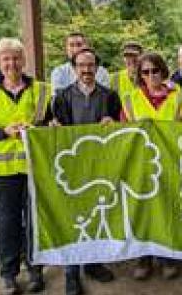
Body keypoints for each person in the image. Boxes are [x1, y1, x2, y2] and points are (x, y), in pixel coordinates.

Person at [0, 38, 52, 295]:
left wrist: (39, 128)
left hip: (34, 167)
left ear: (23, 61)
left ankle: (35, 270)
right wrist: (3, 132)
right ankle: (9, 275)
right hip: (1, 172)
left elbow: (51, 124)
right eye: (5, 58)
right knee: (6, 223)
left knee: (34, 222)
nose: (11, 63)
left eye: (15, 58)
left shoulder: (41, 91)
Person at [52, 47, 121, 295]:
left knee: (97, 215)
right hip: (73, 168)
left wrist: (114, 124)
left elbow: (119, 131)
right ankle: (71, 274)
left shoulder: (111, 96)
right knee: (73, 220)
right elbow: (57, 133)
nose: (86, 70)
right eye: (81, 65)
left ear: (97, 68)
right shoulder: (61, 97)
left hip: (101, 167)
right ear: (74, 68)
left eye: (91, 65)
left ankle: (92, 263)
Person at [120, 52, 182, 280]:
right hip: (141, 164)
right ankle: (143, 259)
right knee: (143, 211)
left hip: (169, 162)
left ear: (163, 71)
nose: (151, 76)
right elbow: (122, 133)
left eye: (155, 70)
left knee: (166, 210)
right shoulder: (130, 99)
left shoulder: (179, 98)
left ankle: (167, 258)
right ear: (140, 75)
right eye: (145, 72)